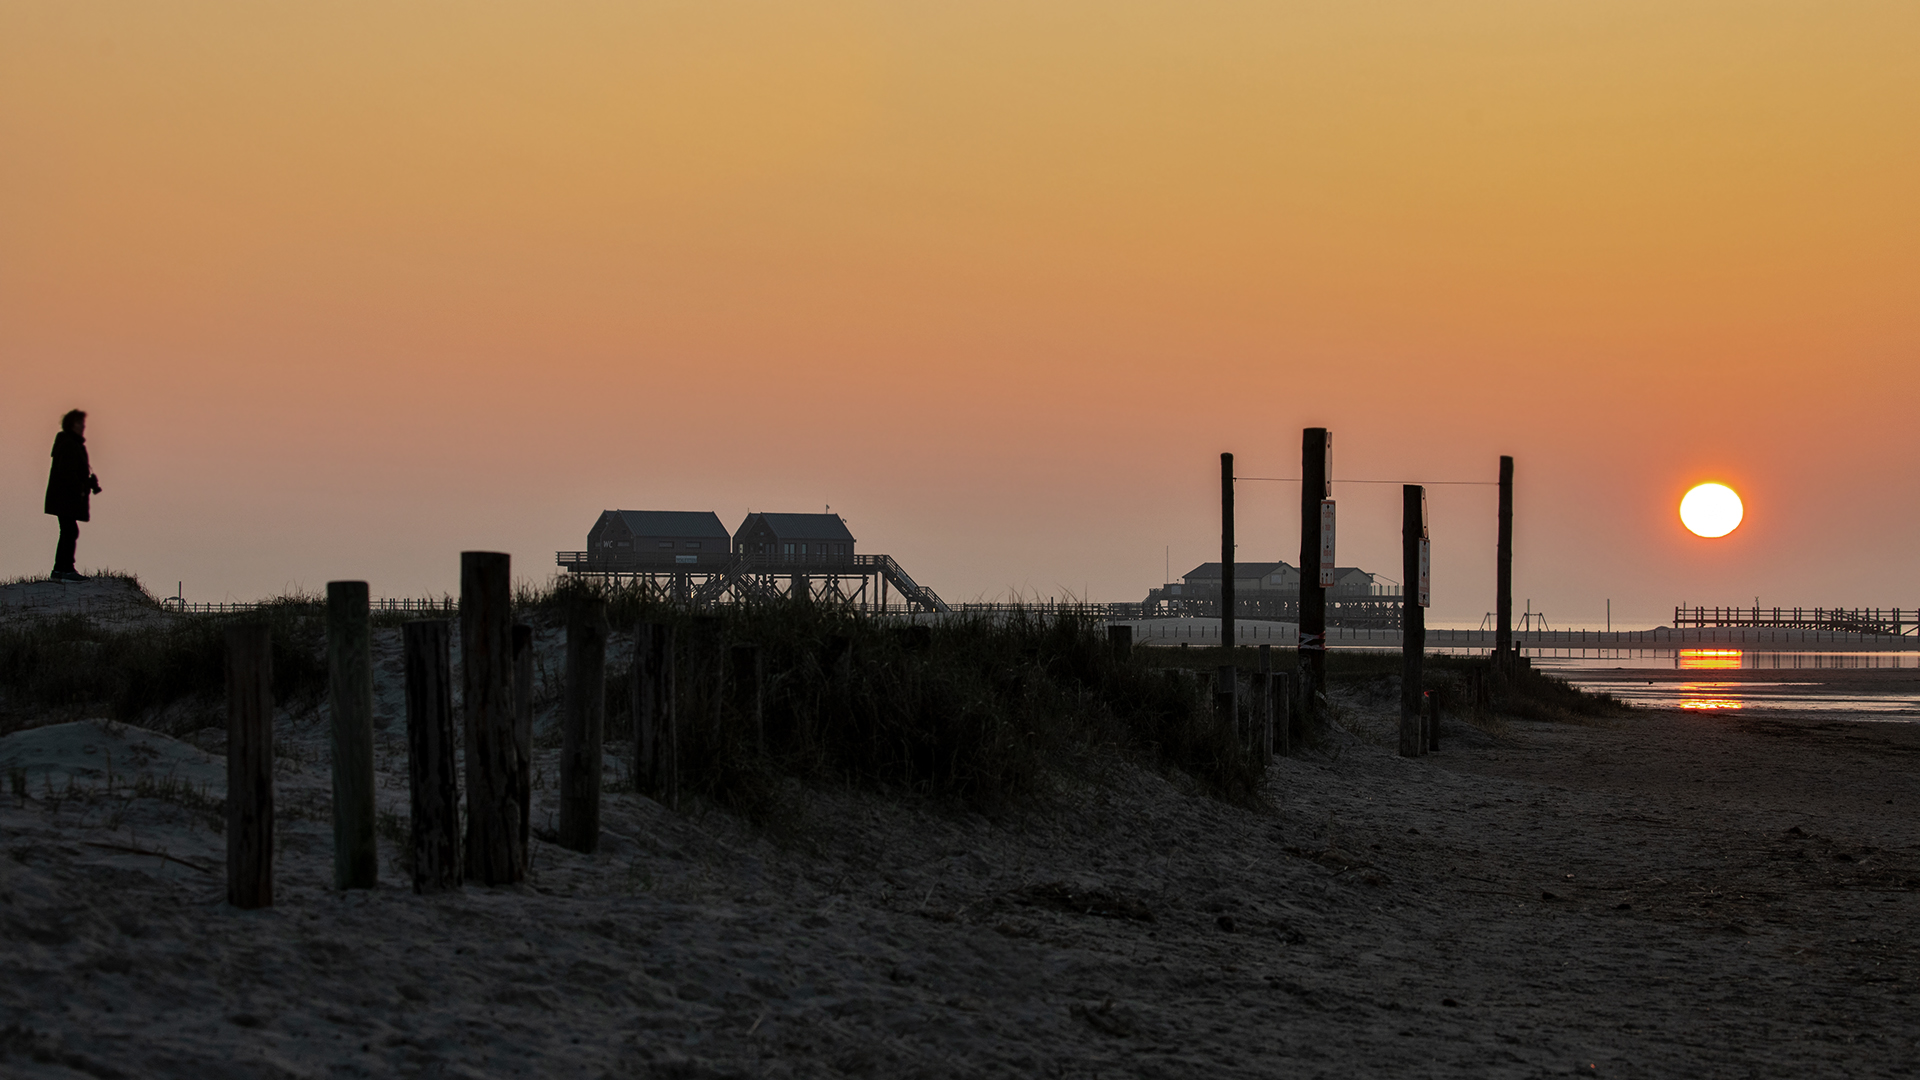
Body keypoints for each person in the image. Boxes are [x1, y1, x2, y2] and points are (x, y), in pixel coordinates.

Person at [44, 409, 101, 583]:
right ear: (70, 425)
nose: (82, 427)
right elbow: (67, 472)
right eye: (79, 423)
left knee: (69, 531)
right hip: (65, 498)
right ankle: (64, 569)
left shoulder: (72, 443)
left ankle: (61, 569)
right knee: (69, 531)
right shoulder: (69, 444)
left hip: (65, 498)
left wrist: (88, 484)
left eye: (82, 423)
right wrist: (80, 488)